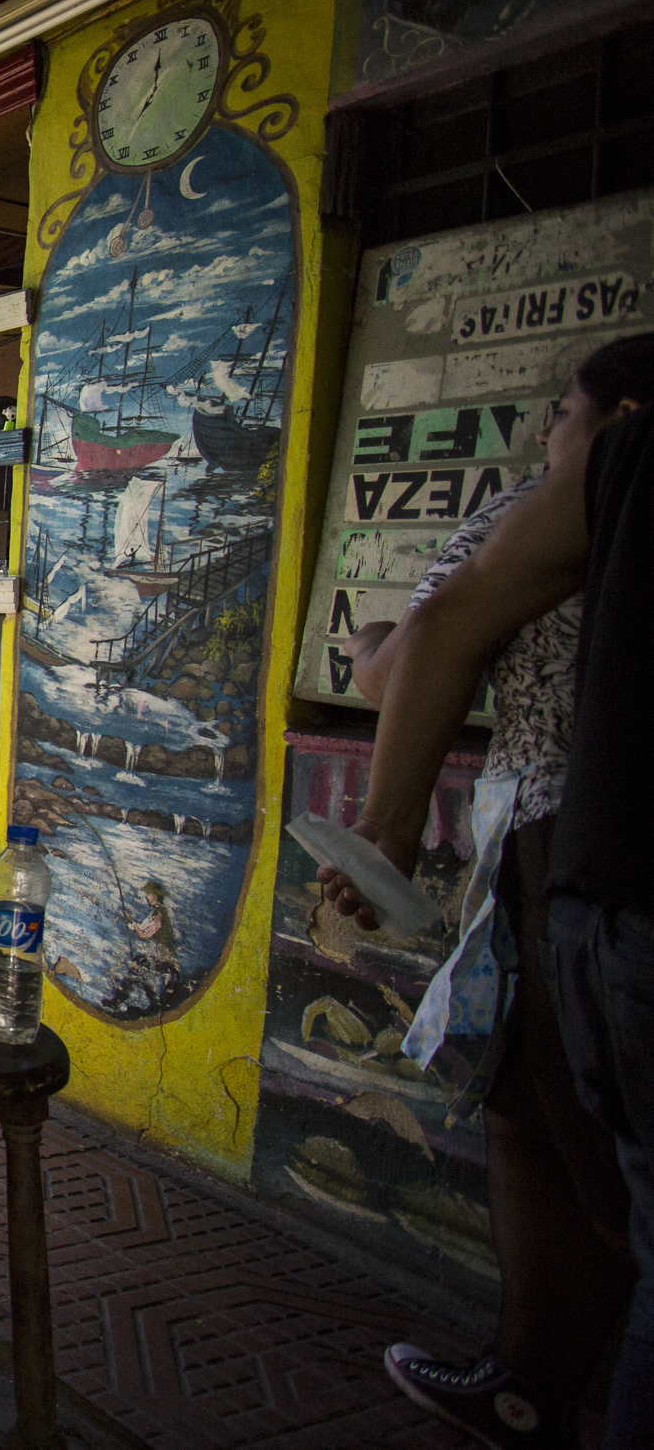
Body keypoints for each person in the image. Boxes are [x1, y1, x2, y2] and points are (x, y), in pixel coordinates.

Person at [328, 333, 652, 1447]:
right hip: (565, 854)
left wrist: (383, 832)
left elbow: (418, 641)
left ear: (618, 414)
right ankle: (528, 1379)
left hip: (569, 846)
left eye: (560, 413)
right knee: (532, 1112)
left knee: (584, 1143)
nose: (545, 438)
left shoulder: (583, 487)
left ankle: (548, 1380)